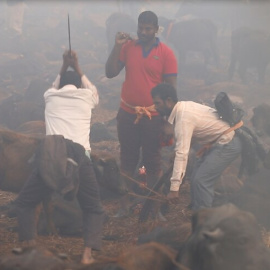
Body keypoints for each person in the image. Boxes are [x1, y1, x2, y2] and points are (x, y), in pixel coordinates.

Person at [15, 50, 104, 264]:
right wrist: (78, 66)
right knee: (93, 208)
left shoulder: (51, 96)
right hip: (78, 156)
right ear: (80, 87)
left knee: (25, 202)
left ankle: (28, 245)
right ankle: (87, 254)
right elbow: (93, 90)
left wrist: (64, 66)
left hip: (50, 157)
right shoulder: (86, 96)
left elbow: (53, 86)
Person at [105, 10, 177, 215]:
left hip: (154, 117)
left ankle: (153, 207)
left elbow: (172, 91)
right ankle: (125, 205)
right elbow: (110, 73)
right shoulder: (127, 47)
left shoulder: (166, 53)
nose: (143, 32)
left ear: (156, 29)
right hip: (127, 113)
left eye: (148, 28)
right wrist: (116, 46)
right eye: (140, 28)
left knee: (153, 160)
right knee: (127, 158)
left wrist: (169, 121)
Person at [151, 83, 242, 210]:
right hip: (218, 142)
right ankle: (196, 211)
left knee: (202, 181)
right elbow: (190, 138)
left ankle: (204, 219)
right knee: (195, 177)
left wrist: (174, 189)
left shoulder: (183, 118)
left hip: (228, 143)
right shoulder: (184, 107)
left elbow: (182, 155)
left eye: (157, 103)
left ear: (169, 101)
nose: (155, 108)